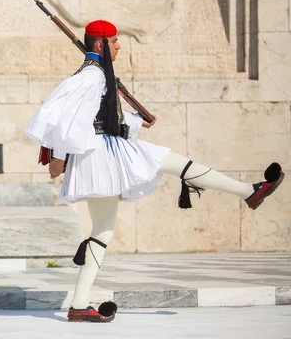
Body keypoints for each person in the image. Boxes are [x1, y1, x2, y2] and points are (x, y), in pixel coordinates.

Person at [23, 20, 285, 323]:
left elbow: (101, 118)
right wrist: (57, 157)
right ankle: (249, 192)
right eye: (115, 41)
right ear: (100, 45)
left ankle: (80, 305)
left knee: (102, 231)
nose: (119, 46)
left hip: (99, 157)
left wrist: (135, 122)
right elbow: (60, 116)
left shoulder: (94, 75)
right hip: (102, 155)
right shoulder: (91, 77)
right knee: (175, 162)